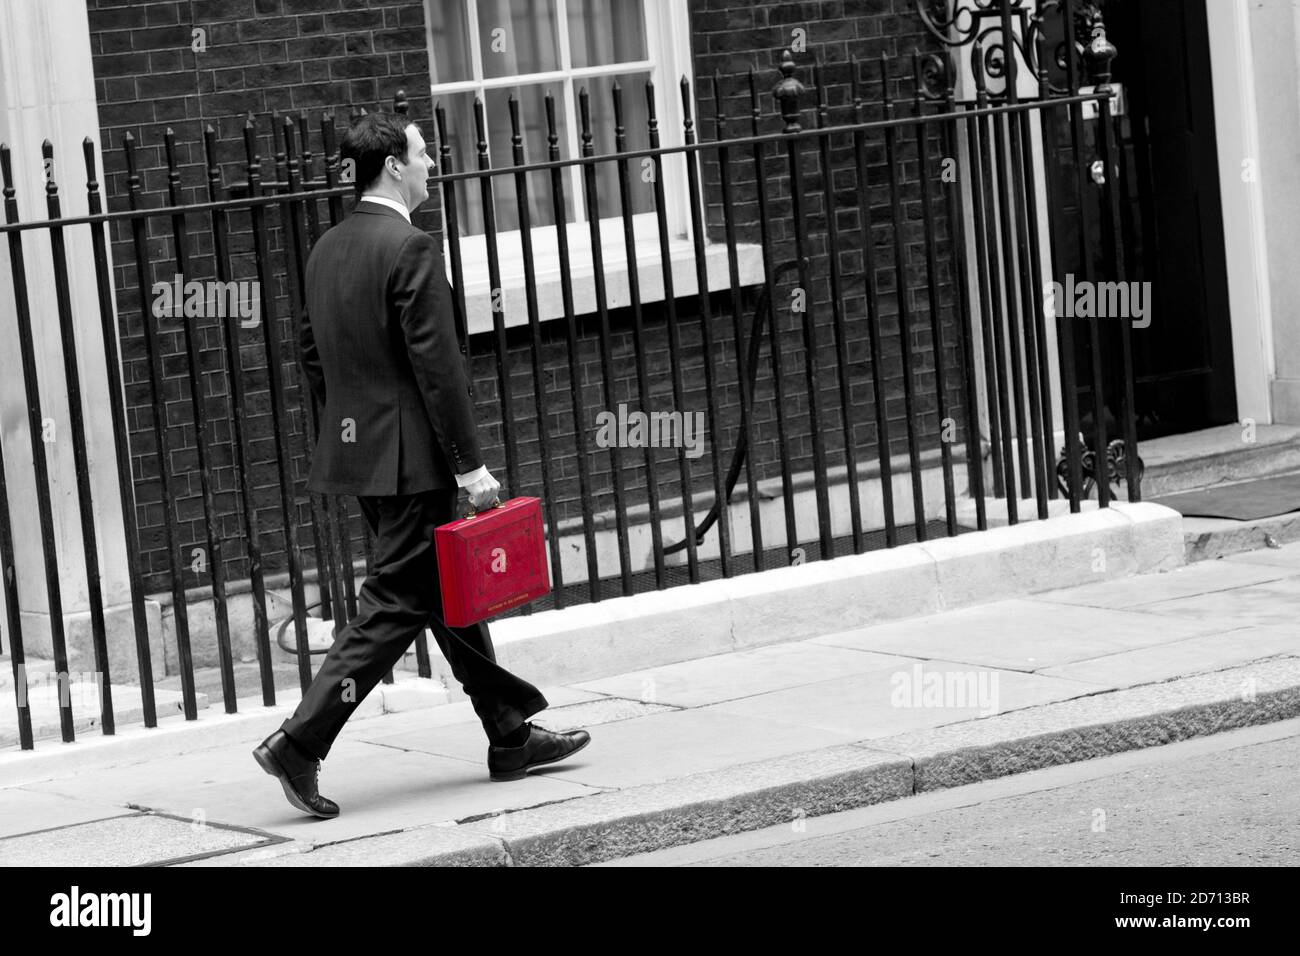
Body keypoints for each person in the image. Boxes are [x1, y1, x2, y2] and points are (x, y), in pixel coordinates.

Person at [253, 112, 590, 819]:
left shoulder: (326, 250)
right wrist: (469, 467)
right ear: (394, 168)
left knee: (444, 593)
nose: (432, 161)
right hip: (414, 465)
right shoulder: (408, 247)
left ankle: (508, 734)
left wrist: (353, 437)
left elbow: (314, 361)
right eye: (422, 152)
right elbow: (438, 371)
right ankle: (299, 743)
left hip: (361, 459)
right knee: (395, 604)